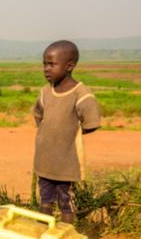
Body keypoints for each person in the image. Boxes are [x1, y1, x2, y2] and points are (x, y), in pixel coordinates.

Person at [32, 40, 100, 224]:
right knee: (45, 198)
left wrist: (68, 135)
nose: (46, 69)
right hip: (45, 159)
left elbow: (91, 122)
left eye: (52, 64)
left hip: (67, 161)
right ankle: (43, 234)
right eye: (44, 64)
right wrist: (48, 133)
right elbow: (37, 114)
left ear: (70, 66)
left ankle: (67, 236)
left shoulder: (81, 94)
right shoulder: (45, 92)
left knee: (65, 199)